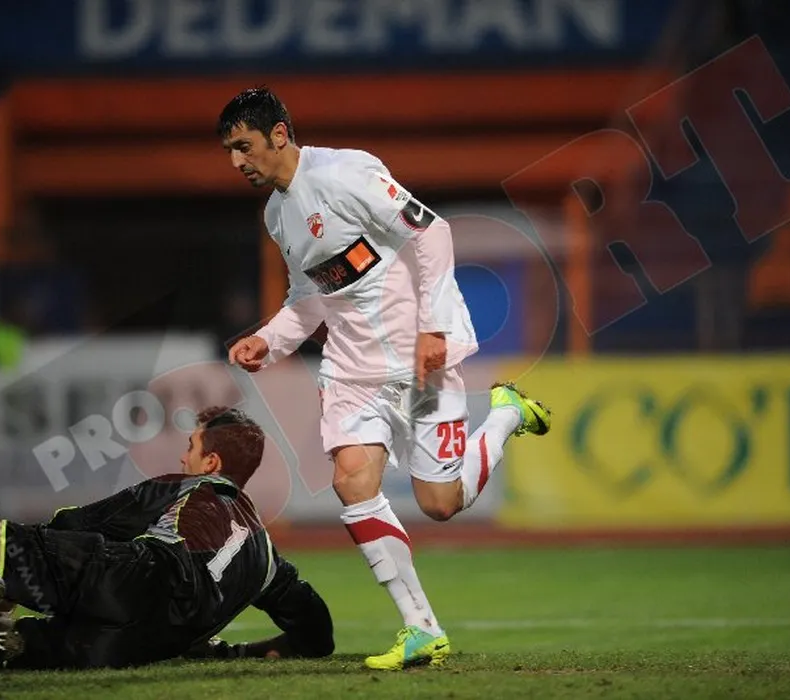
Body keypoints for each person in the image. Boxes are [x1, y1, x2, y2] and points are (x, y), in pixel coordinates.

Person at [220, 87, 552, 670]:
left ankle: (505, 414)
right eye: (229, 150)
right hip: (351, 369)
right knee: (352, 480)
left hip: (420, 358)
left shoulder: (345, 173)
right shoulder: (276, 215)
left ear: (279, 134)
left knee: (440, 503)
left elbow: (433, 231)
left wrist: (433, 327)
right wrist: (268, 340)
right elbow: (309, 297)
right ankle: (421, 628)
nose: (236, 161)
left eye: (244, 146)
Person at [0, 407, 334, 671]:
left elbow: (83, 523)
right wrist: (244, 655)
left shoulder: (192, 487)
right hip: (143, 644)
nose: (183, 456)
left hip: (134, 578)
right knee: (12, 647)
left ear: (211, 463)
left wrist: (18, 559)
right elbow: (317, 633)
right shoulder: (270, 562)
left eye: (191, 446)